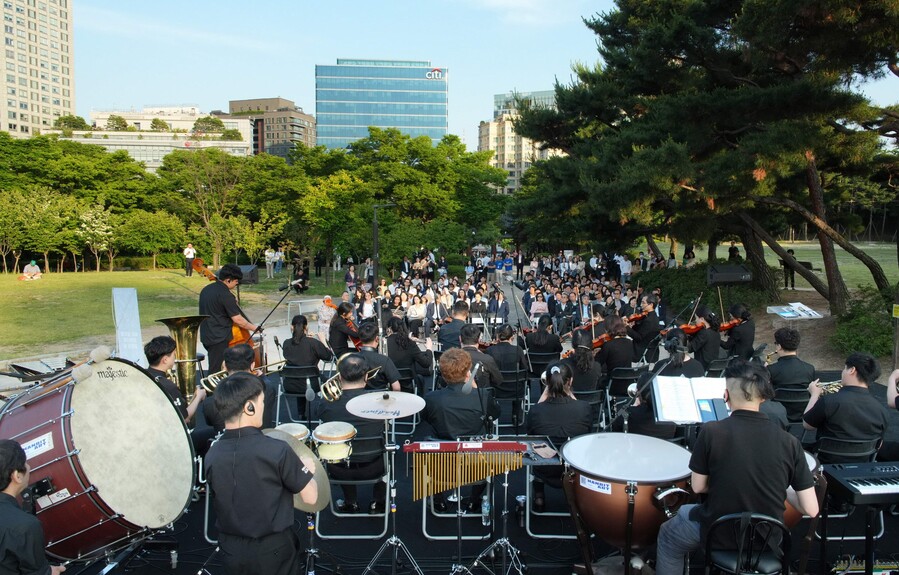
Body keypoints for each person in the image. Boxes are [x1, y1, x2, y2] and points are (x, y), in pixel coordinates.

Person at [655, 361, 818, 575]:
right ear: (764, 397)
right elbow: (811, 509)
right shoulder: (789, 442)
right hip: (767, 538)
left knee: (668, 536)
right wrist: (781, 486)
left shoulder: (712, 432)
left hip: (717, 532)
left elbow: (698, 486)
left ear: (726, 396)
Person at [205, 372, 317, 575]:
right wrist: (308, 469)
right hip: (272, 550)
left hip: (230, 550)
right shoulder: (277, 450)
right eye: (262, 402)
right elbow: (311, 498)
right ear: (249, 407)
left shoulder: (212, 454)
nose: (263, 407)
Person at [422, 348, 500, 511]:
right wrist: (474, 386)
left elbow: (427, 419)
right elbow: (495, 414)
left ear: (443, 374)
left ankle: (438, 499)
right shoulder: (483, 396)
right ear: (468, 372)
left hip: (442, 463)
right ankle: (474, 499)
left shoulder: (431, 399)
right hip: (476, 463)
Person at [312, 354, 387, 514]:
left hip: (338, 468)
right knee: (387, 447)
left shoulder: (326, 404)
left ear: (339, 376)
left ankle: (350, 502)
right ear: (367, 376)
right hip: (374, 466)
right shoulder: (380, 403)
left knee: (342, 446)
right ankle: (378, 502)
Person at [526, 361, 592, 512]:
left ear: (547, 383)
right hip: (575, 466)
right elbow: (587, 435)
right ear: (570, 381)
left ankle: (539, 495)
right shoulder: (584, 408)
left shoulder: (536, 410)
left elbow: (530, 435)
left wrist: (545, 392)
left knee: (537, 447)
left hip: (545, 467)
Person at [803, 352, 890, 463]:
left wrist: (814, 394)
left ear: (852, 370)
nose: (843, 372)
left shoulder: (829, 401)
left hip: (825, 463)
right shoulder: (882, 411)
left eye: (844, 368)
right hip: (861, 464)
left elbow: (807, 425)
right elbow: (879, 443)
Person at [0, 439, 67, 575]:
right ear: (17, 476)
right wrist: (50, 572)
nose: (29, 467)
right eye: (26, 463)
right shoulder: (25, 526)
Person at [199, 263, 260, 374]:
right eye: (236, 282)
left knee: (217, 367)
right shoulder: (225, 294)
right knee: (216, 372)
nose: (236, 285)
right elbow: (238, 320)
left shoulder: (206, 290)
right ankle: (211, 391)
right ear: (228, 280)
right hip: (219, 337)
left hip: (207, 335)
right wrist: (255, 328)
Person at [144, 336, 207, 424]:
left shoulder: (142, 376)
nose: (175, 357)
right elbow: (184, 419)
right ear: (165, 360)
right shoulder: (168, 386)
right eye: (174, 354)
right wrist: (198, 397)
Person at [282, 314, 333, 417]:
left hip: (290, 384)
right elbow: (329, 357)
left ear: (292, 327)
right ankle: (325, 411)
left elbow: (299, 353)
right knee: (328, 380)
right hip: (312, 384)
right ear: (306, 327)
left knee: (299, 373)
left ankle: (301, 413)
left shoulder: (286, 343)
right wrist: (322, 340)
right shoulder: (313, 343)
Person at [385, 317, 433, 393]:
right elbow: (426, 363)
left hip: (390, 382)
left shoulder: (384, 343)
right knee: (421, 378)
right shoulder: (409, 343)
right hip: (409, 382)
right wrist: (429, 348)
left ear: (390, 329)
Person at [356, 322, 402, 391]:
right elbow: (396, 387)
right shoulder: (384, 360)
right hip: (380, 397)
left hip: (359, 398)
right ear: (377, 339)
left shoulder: (352, 359)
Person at [460, 324, 503, 390]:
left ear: (460, 338)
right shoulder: (486, 359)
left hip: (456, 397)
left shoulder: (450, 358)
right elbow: (498, 380)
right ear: (479, 339)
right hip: (481, 397)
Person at [625, 293, 662, 363]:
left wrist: (626, 327)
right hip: (643, 346)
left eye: (643, 303)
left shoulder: (649, 320)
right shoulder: (648, 316)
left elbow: (639, 337)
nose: (641, 305)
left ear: (651, 305)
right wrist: (633, 324)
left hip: (642, 350)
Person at [687, 306, 722, 371]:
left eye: (696, 318)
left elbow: (690, 349)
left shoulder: (704, 333)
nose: (695, 320)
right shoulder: (715, 331)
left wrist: (683, 337)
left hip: (702, 366)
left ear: (702, 319)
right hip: (713, 366)